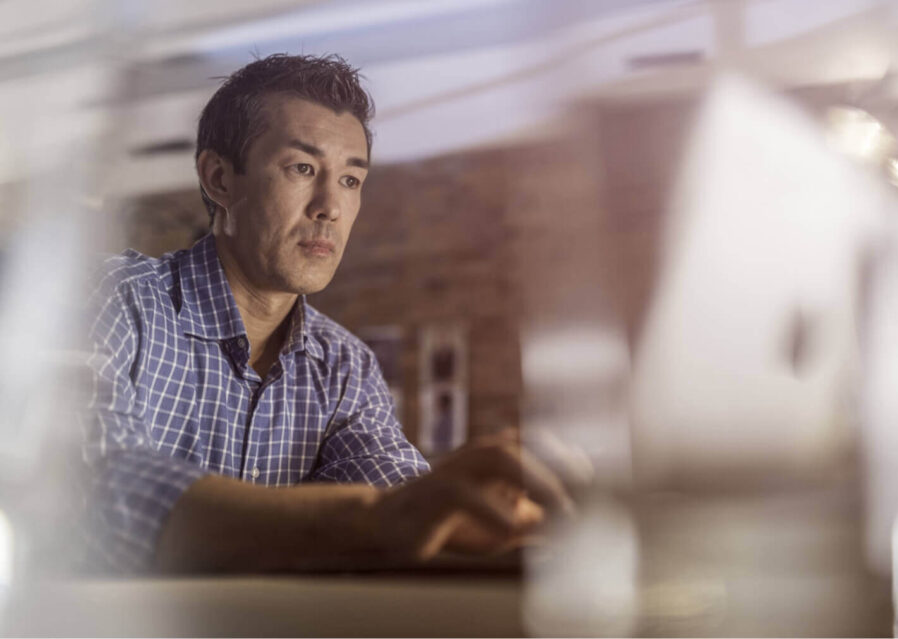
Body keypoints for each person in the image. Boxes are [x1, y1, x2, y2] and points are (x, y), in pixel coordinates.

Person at [81, 54, 575, 573]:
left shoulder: (345, 367)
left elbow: (399, 500)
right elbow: (93, 488)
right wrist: (368, 520)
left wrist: (501, 524)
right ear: (220, 179)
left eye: (350, 180)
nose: (330, 207)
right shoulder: (110, 300)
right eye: (303, 168)